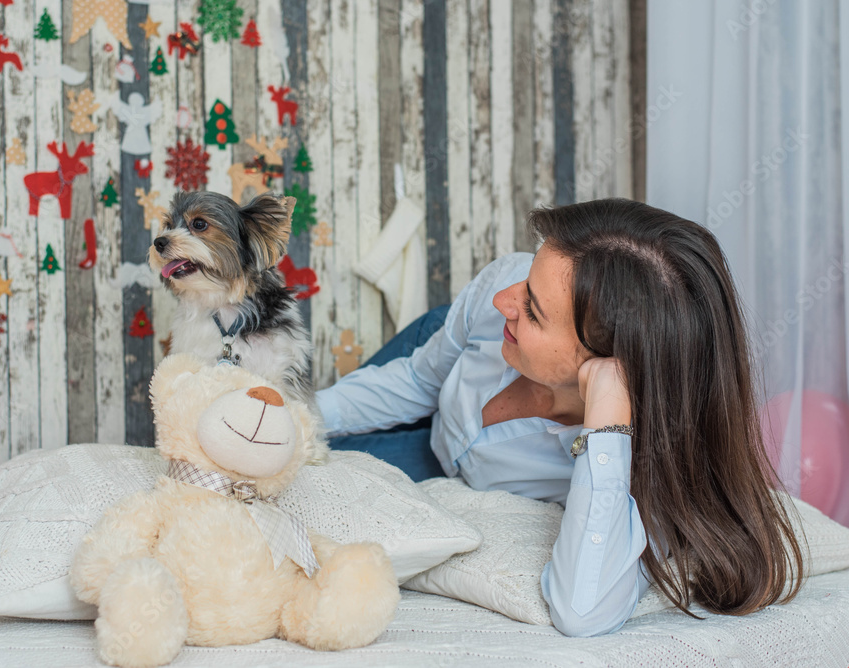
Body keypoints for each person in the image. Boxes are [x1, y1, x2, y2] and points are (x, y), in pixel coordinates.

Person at [316, 198, 805, 637]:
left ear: (608, 361)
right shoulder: (496, 303)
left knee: (313, 489)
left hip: (453, 457)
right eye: (528, 277)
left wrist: (607, 428)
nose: (502, 299)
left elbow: (582, 611)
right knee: (285, 439)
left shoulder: (648, 469)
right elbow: (419, 381)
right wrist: (299, 416)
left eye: (532, 308)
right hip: (452, 364)